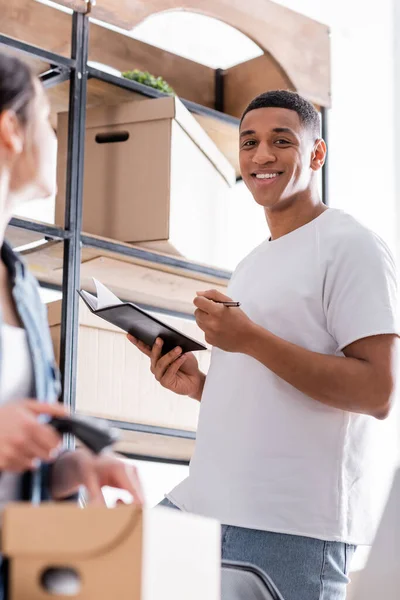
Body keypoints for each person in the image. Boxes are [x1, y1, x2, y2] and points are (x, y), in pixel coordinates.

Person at [128, 90, 399, 600]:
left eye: (281, 141)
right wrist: (203, 386)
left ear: (316, 154)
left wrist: (249, 339)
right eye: (249, 142)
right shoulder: (252, 263)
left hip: (289, 527)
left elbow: (376, 391)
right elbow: (273, 392)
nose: (262, 156)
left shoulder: (352, 245)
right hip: (206, 507)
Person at [0, 51, 143, 517]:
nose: (55, 135)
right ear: (11, 131)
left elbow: (17, 461)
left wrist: (72, 467)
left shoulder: (21, 283)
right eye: (45, 118)